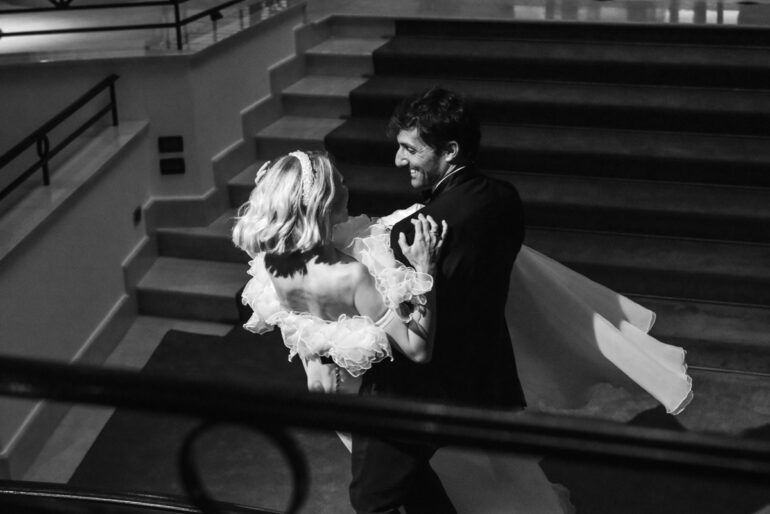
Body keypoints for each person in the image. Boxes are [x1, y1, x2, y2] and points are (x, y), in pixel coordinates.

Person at [232, 150, 458, 514]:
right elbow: (416, 349)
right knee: (385, 488)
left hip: (322, 385)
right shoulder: (351, 276)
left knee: (411, 483)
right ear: (322, 201)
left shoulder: (271, 263)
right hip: (365, 394)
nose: (347, 187)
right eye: (339, 182)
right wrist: (424, 271)